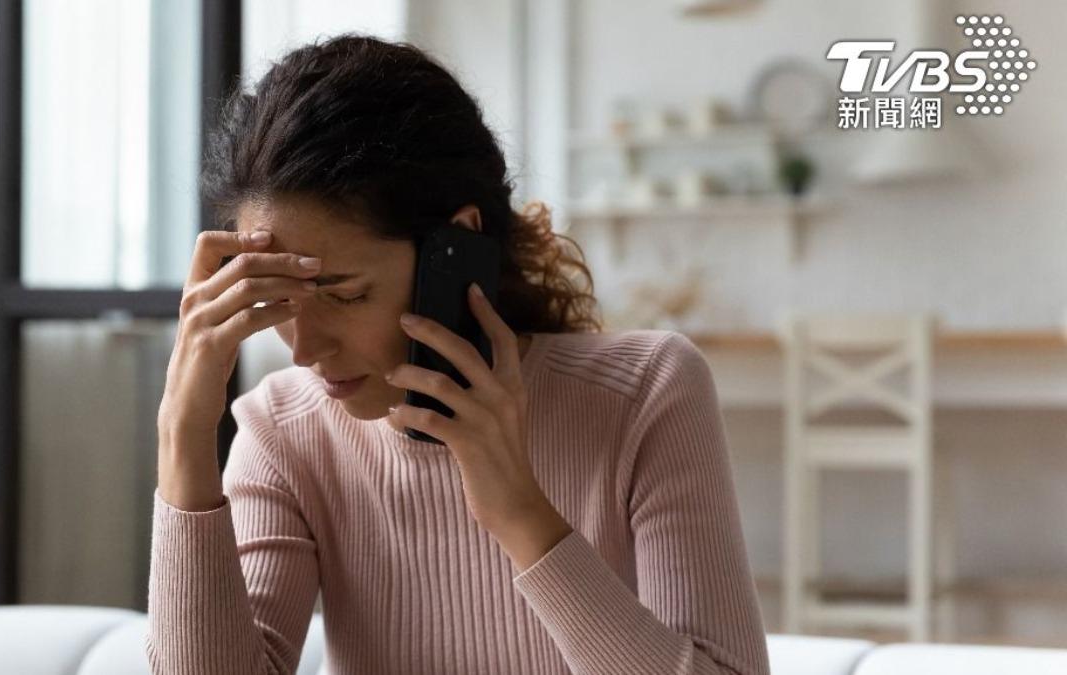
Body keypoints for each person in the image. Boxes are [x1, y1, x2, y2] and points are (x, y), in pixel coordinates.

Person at [148, 34, 769, 675]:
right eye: (279, 300)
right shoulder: (282, 431)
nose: (305, 350)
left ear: (457, 247)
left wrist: (519, 513)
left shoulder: (645, 392)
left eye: (346, 294)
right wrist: (183, 433)